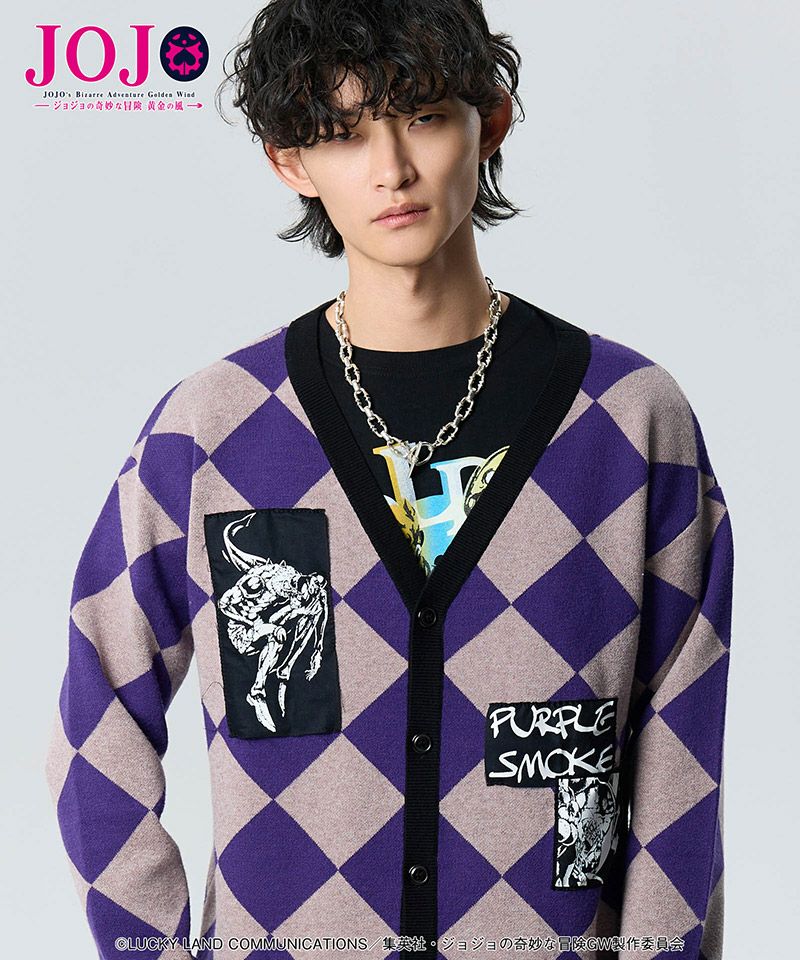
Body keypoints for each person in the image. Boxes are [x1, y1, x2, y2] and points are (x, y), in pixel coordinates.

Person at [45, 2, 734, 959]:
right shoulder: (212, 430)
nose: (391, 169)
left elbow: (680, 759)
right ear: (290, 161)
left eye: (424, 117)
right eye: (342, 134)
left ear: (489, 122)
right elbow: (95, 725)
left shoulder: (630, 420)